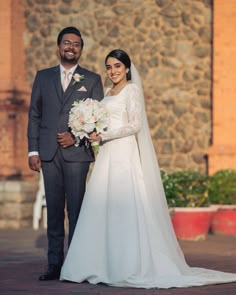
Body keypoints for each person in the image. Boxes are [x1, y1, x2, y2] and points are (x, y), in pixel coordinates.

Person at [60, 49, 236, 288]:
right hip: (108, 155)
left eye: (117, 67)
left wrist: (104, 135)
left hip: (123, 152)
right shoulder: (108, 92)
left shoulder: (131, 90)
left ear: (127, 68)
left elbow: (135, 125)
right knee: (102, 202)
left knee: (125, 204)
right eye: (109, 67)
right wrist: (91, 129)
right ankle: (97, 264)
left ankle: (127, 264)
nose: (113, 71)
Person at [27, 26, 104, 281]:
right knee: (55, 211)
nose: (71, 47)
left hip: (77, 155)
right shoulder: (42, 77)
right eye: (67, 43)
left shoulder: (91, 80)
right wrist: (33, 150)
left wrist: (76, 136)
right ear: (59, 46)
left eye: (76, 44)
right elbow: (35, 115)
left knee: (77, 211)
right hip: (48, 155)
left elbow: (98, 119)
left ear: (81, 49)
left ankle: (77, 265)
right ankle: (54, 265)